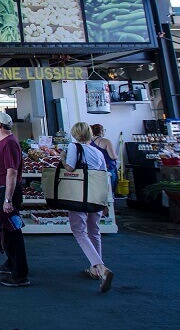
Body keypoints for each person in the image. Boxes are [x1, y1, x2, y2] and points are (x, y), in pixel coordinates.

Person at [64, 122, 115, 293]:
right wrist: (106, 200)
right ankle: (94, 269)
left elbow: (70, 168)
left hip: (79, 193)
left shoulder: (74, 148)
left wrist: (63, 159)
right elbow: (103, 176)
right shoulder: (97, 152)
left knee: (79, 231)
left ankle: (100, 267)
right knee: (94, 230)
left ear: (74, 134)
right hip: (96, 195)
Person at [0, 112, 30, 287]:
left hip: (7, 193)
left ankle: (20, 274)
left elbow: (12, 172)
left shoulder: (9, 144)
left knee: (13, 232)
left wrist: (8, 200)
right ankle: (11, 263)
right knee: (6, 229)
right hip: (1, 192)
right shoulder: (5, 143)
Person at [90, 124, 118, 195]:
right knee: (110, 191)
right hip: (108, 168)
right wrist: (117, 157)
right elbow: (113, 156)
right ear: (101, 131)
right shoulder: (106, 141)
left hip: (95, 169)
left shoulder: (89, 142)